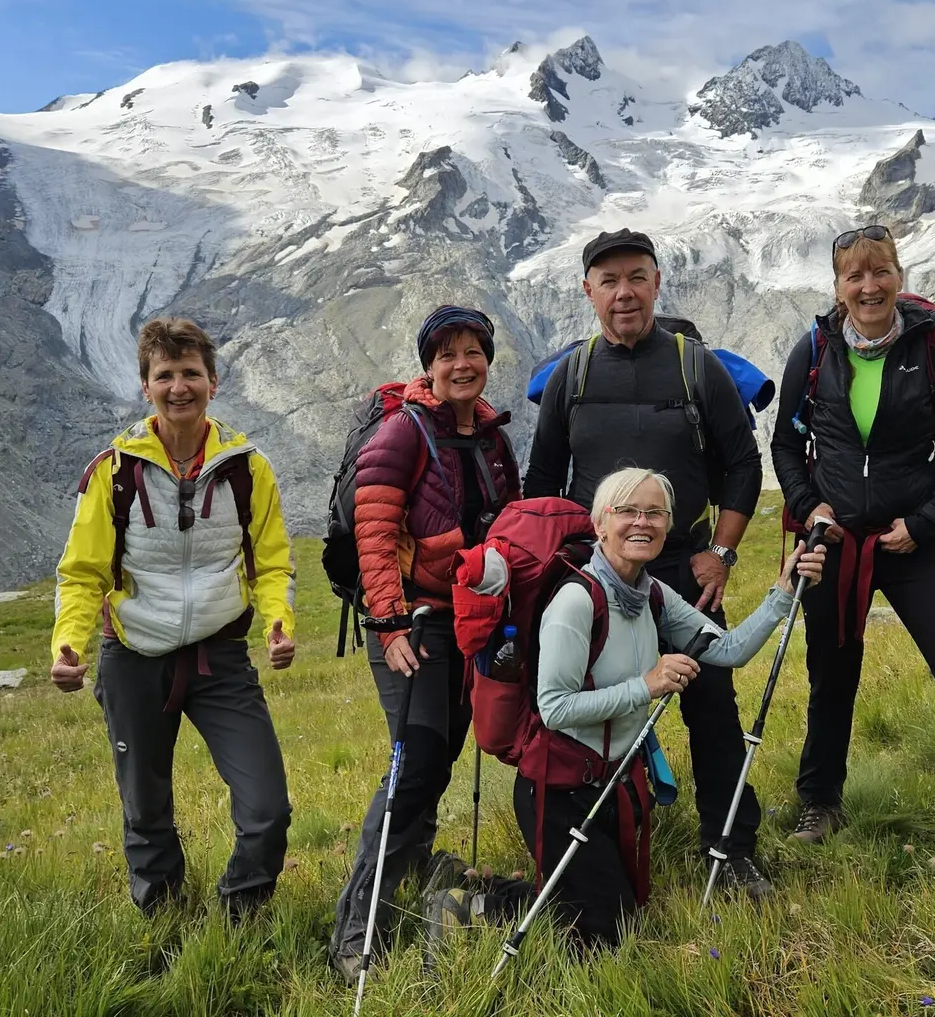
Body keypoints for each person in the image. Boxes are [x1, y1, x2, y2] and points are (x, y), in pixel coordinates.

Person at [770, 225, 935, 897]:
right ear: (837, 286)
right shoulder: (815, 349)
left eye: (879, 271)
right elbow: (784, 446)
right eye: (853, 275)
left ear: (898, 274)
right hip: (836, 544)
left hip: (916, 541)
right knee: (831, 679)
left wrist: (926, 521)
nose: (869, 286)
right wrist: (810, 507)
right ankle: (821, 804)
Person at [523, 228, 775, 897]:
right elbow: (543, 478)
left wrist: (720, 552)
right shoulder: (572, 375)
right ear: (588, 292)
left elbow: (744, 464)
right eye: (609, 281)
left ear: (657, 283)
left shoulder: (695, 365)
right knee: (587, 707)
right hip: (591, 578)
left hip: (682, 568)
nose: (624, 292)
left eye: (636, 277)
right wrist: (546, 577)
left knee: (711, 705)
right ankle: (596, 836)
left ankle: (730, 849)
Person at [49, 316, 299, 918]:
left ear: (213, 381)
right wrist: (69, 644)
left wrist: (277, 622)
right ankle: (161, 919)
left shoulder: (248, 467)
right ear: (147, 386)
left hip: (220, 655)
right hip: (133, 656)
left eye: (191, 373)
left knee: (267, 808)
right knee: (145, 805)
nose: (179, 386)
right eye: (165, 375)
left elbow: (271, 563)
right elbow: (83, 572)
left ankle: (240, 915)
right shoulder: (113, 471)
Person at [523, 468, 823, 948]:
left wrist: (782, 593)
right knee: (607, 934)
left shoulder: (651, 593)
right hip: (560, 791)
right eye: (627, 511)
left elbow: (726, 651)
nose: (642, 522)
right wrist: (648, 684)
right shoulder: (576, 600)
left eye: (655, 513)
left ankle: (552, 891)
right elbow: (555, 708)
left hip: (613, 787)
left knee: (616, 918)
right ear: (600, 524)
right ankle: (475, 899)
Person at [330, 306, 520, 980]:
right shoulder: (401, 433)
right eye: (447, 355)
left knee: (435, 766)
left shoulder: (493, 439)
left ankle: (406, 878)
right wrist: (386, 621)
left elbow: (511, 529)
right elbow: (373, 532)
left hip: (471, 620)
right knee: (414, 767)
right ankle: (357, 931)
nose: (461, 364)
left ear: (486, 359)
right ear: (428, 366)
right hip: (414, 623)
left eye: (473, 351)